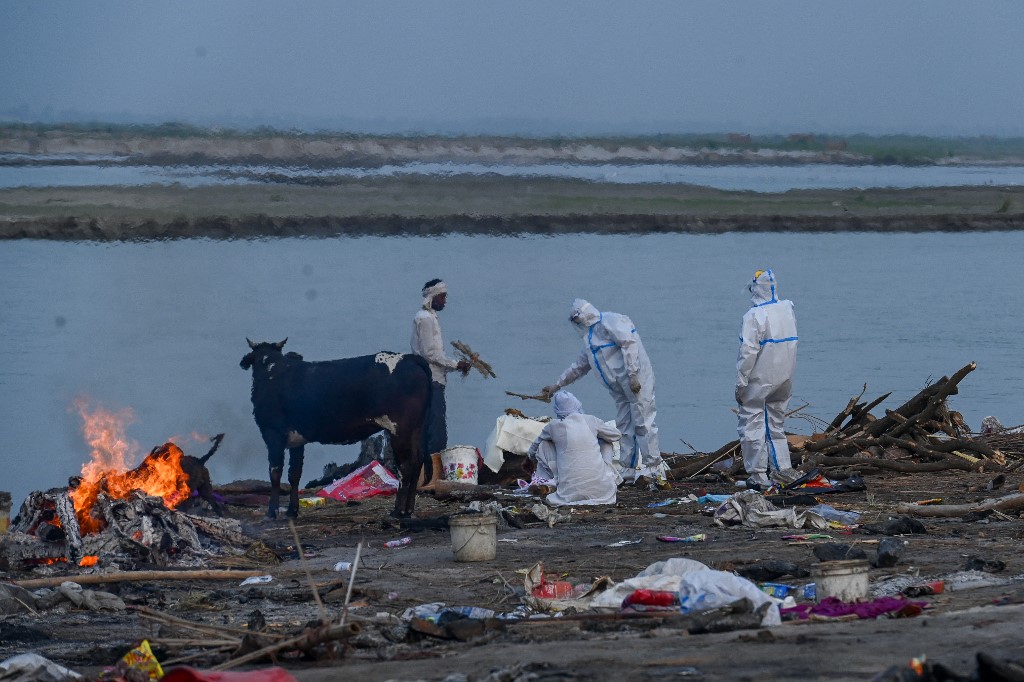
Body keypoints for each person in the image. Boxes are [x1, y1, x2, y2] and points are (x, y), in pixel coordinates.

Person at [540, 298, 665, 482]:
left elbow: (629, 344)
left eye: (577, 320)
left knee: (643, 423)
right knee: (624, 425)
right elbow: (579, 367)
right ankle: (628, 469)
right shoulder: (590, 340)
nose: (577, 324)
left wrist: (632, 374)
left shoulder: (610, 321)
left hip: (636, 382)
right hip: (619, 388)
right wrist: (557, 385)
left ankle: (654, 468)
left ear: (583, 314)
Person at [735, 269, 800, 490]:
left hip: (760, 378)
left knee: (751, 423)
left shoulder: (754, 316)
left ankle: (758, 474)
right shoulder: (787, 309)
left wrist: (741, 383)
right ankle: (782, 469)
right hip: (785, 376)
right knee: (776, 423)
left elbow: (747, 353)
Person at [411, 279, 470, 472]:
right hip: (431, 380)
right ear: (433, 297)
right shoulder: (425, 319)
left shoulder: (429, 316)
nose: (445, 301)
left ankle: (424, 472)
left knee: (427, 426)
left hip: (429, 378)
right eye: (442, 297)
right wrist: (455, 364)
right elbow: (430, 354)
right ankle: (431, 473)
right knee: (435, 430)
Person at [527, 390, 621, 506]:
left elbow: (534, 448)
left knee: (544, 445)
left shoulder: (553, 426)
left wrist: (530, 458)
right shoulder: (591, 420)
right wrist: (597, 435)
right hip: (602, 492)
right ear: (577, 405)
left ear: (557, 409)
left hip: (569, 493)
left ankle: (548, 481)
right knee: (607, 441)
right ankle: (610, 476)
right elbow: (616, 435)